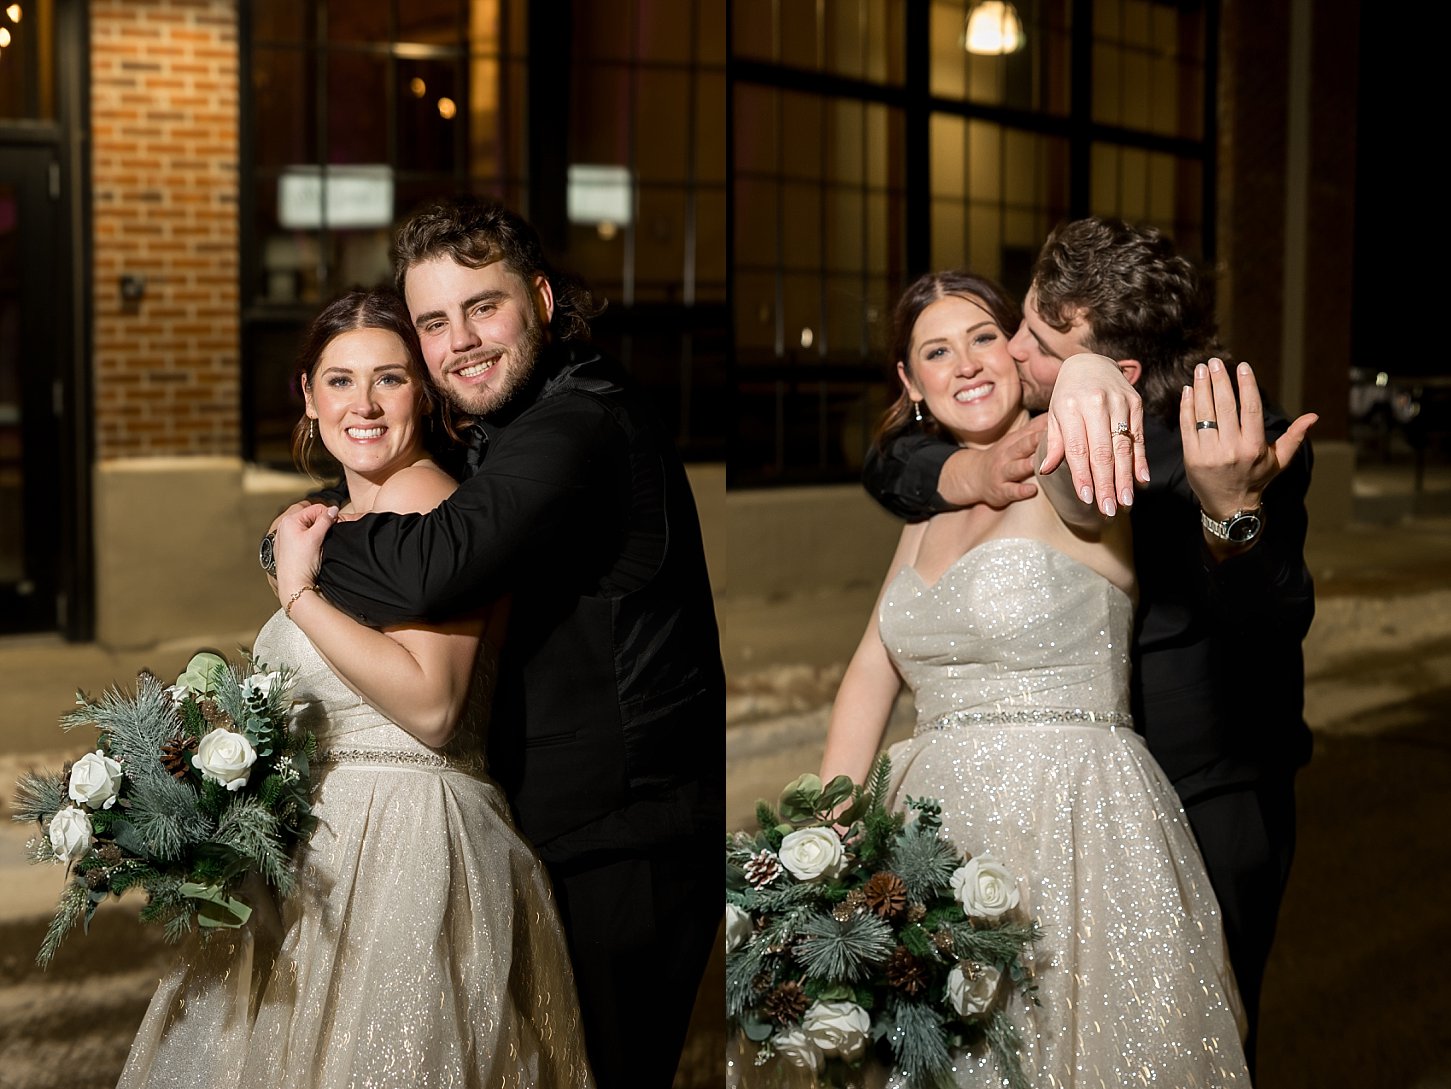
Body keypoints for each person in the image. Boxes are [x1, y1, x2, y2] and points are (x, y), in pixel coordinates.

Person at [282, 197, 724, 1089]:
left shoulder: (578, 421)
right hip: (546, 826)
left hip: (623, 842)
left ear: (542, 300)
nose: (461, 341)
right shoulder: (509, 426)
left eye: (483, 307)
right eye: (433, 322)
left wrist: (289, 553)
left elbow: (436, 564)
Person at [864, 216, 1316, 1073]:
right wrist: (961, 471)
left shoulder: (1230, 439)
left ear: (1124, 373)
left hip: (1208, 781)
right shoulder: (1040, 411)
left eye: (1038, 343)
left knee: (1189, 1040)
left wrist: (1230, 515)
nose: (1013, 351)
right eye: (1027, 322)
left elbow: (1275, 616)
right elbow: (890, 461)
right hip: (1057, 785)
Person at [119, 289, 594, 1088]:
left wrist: (298, 595)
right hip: (319, 854)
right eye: (340, 381)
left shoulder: (430, 506)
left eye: (390, 379)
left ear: (425, 394)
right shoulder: (332, 521)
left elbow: (433, 707)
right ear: (308, 395)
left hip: (406, 844)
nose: (363, 405)